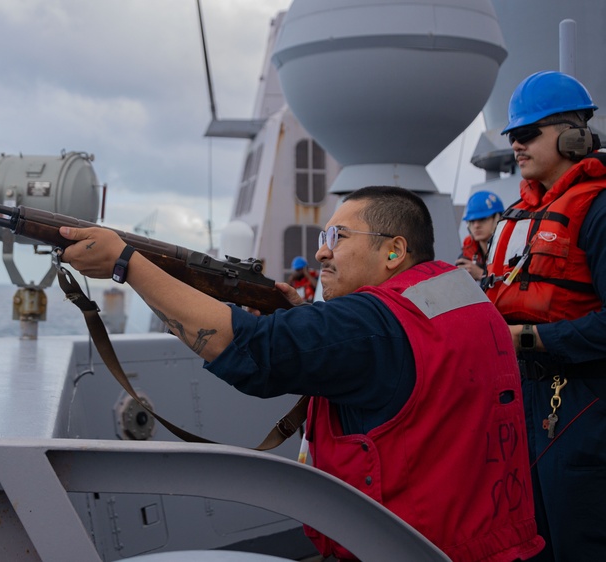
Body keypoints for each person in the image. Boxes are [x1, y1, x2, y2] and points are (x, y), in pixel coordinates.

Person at [60, 185, 543, 561]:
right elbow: (385, 355)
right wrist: (305, 324)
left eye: (338, 237)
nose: (322, 252)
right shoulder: (458, 299)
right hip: (487, 540)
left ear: (394, 250)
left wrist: (126, 262)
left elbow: (249, 352)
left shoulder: (370, 325)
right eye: (322, 237)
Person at [484, 70, 606, 561]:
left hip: (584, 401)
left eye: (528, 133)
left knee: (581, 537)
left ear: (574, 134)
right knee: (530, 539)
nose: (516, 144)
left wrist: (529, 339)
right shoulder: (520, 216)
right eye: (513, 135)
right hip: (523, 402)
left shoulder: (598, 211)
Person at [456, 191, 503, 281]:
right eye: (472, 221)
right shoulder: (467, 256)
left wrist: (481, 274)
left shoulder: (511, 253)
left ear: (498, 218)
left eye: (482, 219)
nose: (476, 225)